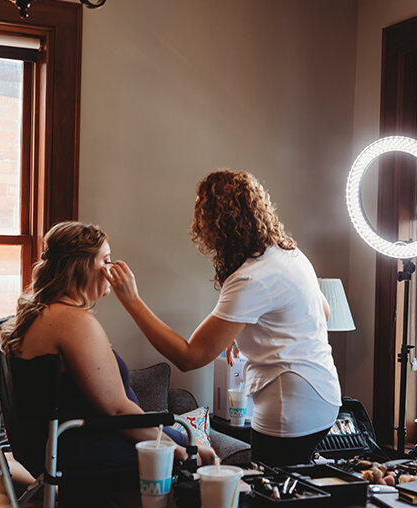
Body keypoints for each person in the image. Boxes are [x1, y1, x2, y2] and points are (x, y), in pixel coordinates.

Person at [107, 169, 341, 467]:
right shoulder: (289, 254)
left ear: (216, 224)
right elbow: (323, 311)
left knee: (275, 500)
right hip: (324, 396)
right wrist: (245, 328)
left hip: (290, 408)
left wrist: (132, 301)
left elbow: (189, 357)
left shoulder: (251, 278)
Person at [0, 221, 217, 480]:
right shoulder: (73, 322)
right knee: (200, 453)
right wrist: (175, 449)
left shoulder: (35, 317)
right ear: (81, 266)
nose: (112, 269)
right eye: (106, 260)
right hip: (83, 445)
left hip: (54, 446)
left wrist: (178, 440)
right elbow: (116, 410)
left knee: (195, 443)